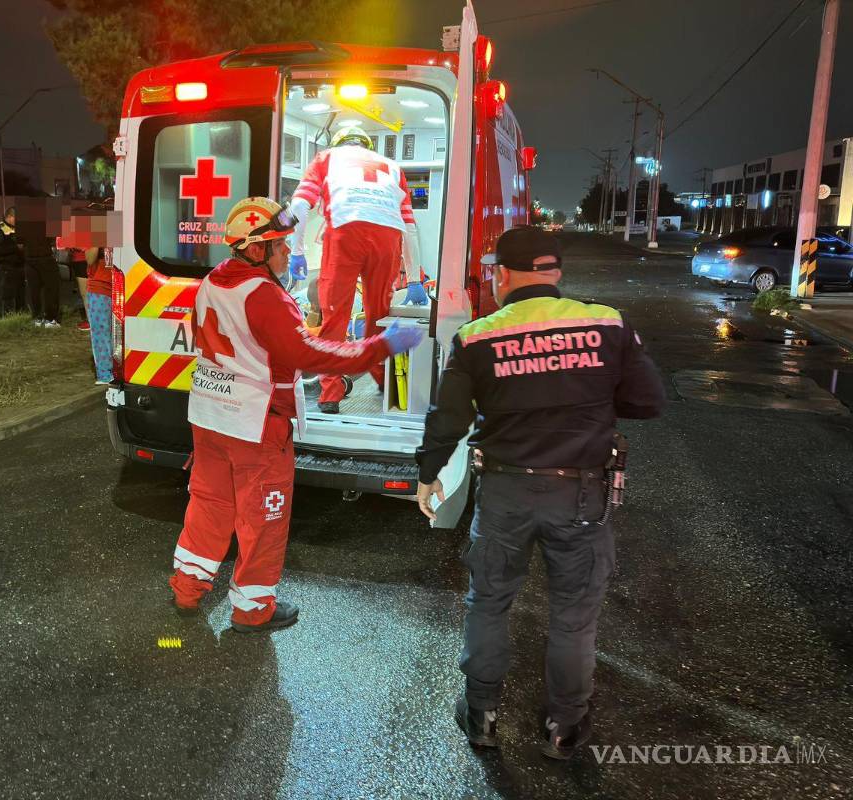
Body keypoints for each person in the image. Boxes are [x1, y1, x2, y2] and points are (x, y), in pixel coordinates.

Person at [415, 226, 665, 759]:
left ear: (502, 275)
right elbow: (647, 402)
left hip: (505, 490)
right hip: (580, 495)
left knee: (489, 602)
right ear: (556, 274)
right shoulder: (607, 323)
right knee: (574, 614)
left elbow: (449, 418)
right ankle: (565, 726)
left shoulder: (478, 337)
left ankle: (481, 714)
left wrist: (428, 472)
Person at [168, 197, 423, 632]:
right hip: (256, 424)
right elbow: (308, 354)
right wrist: (380, 346)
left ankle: (186, 589)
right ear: (254, 249)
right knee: (262, 518)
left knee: (209, 506)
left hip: (210, 418)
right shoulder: (265, 295)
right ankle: (252, 610)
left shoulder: (212, 281)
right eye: (280, 244)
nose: (289, 252)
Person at [288, 125, 428, 415]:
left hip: (345, 233)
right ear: (366, 146)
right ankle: (381, 381)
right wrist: (414, 279)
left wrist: (296, 251)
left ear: (339, 142)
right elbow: (409, 226)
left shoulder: (327, 158)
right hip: (388, 238)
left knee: (334, 318)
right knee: (378, 316)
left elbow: (300, 205)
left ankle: (330, 396)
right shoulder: (393, 167)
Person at [83, 246, 113, 384]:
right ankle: (105, 373)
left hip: (126, 284)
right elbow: (90, 259)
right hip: (100, 287)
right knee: (102, 332)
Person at [0, 206, 26, 315]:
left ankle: (21, 315)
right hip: (7, 267)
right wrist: (16, 248)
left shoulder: (17, 228)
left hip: (20, 266)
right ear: (10, 217)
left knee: (21, 293)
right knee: (8, 294)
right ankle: (8, 317)